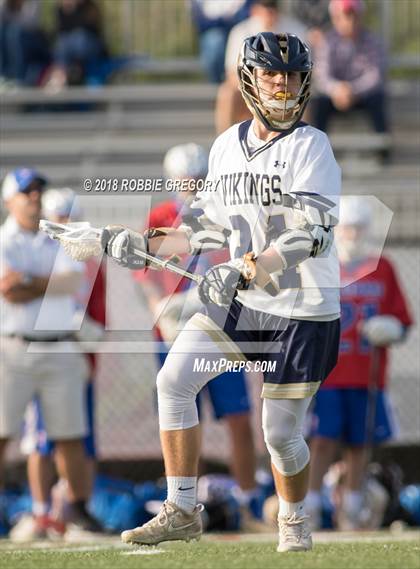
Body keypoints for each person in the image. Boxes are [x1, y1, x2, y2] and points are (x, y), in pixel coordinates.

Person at [103, 32, 341, 553]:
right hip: (244, 302)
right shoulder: (227, 144)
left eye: (292, 74)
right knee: (174, 380)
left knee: (279, 434)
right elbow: (206, 227)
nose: (282, 84)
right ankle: (182, 508)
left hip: (301, 309)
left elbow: (312, 233)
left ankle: (293, 518)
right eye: (272, 73)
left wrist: (250, 266)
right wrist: (142, 243)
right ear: (250, 78)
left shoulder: (311, 146)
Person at [133, 143, 265, 530]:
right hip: (176, 329)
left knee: (238, 417)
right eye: (186, 179)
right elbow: (144, 270)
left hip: (220, 326)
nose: (192, 185)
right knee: (181, 415)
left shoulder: (226, 210)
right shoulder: (161, 215)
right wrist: (160, 308)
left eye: (199, 178)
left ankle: (247, 504)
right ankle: (184, 503)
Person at [0, 171, 102, 540]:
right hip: (14, 346)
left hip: (59, 346)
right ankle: (44, 512)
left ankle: (76, 512)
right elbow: (7, 289)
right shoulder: (4, 239)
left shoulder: (58, 235)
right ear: (9, 199)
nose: (34, 197)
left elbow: (70, 283)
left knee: (70, 435)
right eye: (26, 191)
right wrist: (46, 284)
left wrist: (28, 280)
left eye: (37, 190)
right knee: (3, 433)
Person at [306, 195, 413, 531]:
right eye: (347, 228)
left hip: (367, 373)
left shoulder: (383, 267)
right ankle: (309, 504)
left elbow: (402, 320)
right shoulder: (319, 265)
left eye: (358, 228)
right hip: (327, 373)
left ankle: (353, 505)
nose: (352, 234)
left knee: (359, 442)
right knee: (322, 439)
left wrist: (391, 328)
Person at [215, 0, 307, 133]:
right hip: (251, 87)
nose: (269, 13)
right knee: (227, 93)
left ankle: (301, 136)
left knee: (304, 92)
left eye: (272, 7)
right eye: (265, 7)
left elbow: (304, 71)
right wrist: (257, 91)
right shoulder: (241, 31)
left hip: (286, 87)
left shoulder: (296, 30)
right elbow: (232, 73)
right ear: (255, 10)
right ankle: (225, 137)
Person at [311, 0, 390, 141]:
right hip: (334, 96)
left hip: (362, 95)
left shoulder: (373, 40)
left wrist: (351, 90)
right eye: (344, 16)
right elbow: (321, 75)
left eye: (353, 16)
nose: (350, 21)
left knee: (378, 99)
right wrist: (337, 89)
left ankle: (383, 146)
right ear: (335, 19)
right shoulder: (327, 41)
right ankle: (317, 145)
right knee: (319, 103)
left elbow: (375, 76)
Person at [44, 0, 106, 90]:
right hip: (68, 50)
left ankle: (71, 71)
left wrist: (76, 7)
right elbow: (61, 29)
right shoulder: (60, 10)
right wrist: (68, 9)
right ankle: (59, 76)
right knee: (62, 42)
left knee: (78, 37)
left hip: (89, 47)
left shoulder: (89, 7)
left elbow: (88, 27)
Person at [190, 0, 252, 84]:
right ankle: (219, 84)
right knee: (215, 40)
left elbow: (248, 9)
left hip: (239, 25)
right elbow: (199, 19)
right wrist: (222, 22)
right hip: (214, 29)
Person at [0, 0, 51, 87]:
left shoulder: (33, 2)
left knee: (13, 32)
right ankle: (3, 75)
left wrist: (19, 7)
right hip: (11, 34)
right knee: (3, 31)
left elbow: (30, 23)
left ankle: (16, 76)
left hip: (32, 37)